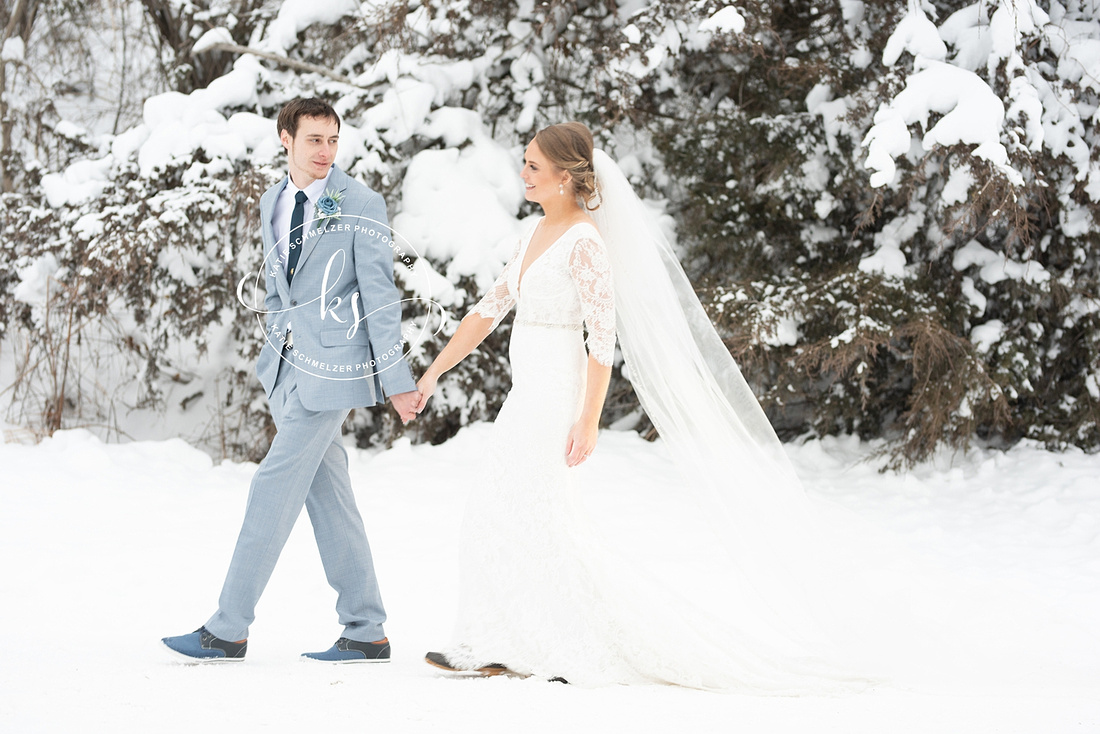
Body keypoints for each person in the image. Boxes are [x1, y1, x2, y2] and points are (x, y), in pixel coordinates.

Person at [413, 122, 864, 691]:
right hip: (526, 391)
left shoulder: (585, 242)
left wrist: (589, 418)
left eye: (533, 165)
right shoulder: (534, 235)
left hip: (557, 394)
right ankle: (502, 638)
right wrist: (433, 371)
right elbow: (488, 309)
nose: (523, 173)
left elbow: (602, 339)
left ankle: (551, 644)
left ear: (566, 176)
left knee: (533, 512)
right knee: (502, 511)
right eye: (525, 163)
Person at [162, 98, 420, 664]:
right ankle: (366, 628)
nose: (326, 152)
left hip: (333, 371)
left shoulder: (361, 202)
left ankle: (228, 628)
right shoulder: (271, 201)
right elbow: (281, 290)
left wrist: (396, 380)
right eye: (314, 140)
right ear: (286, 138)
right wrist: (274, 354)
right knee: (331, 501)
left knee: (271, 487)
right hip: (286, 371)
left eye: (333, 140)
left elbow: (379, 297)